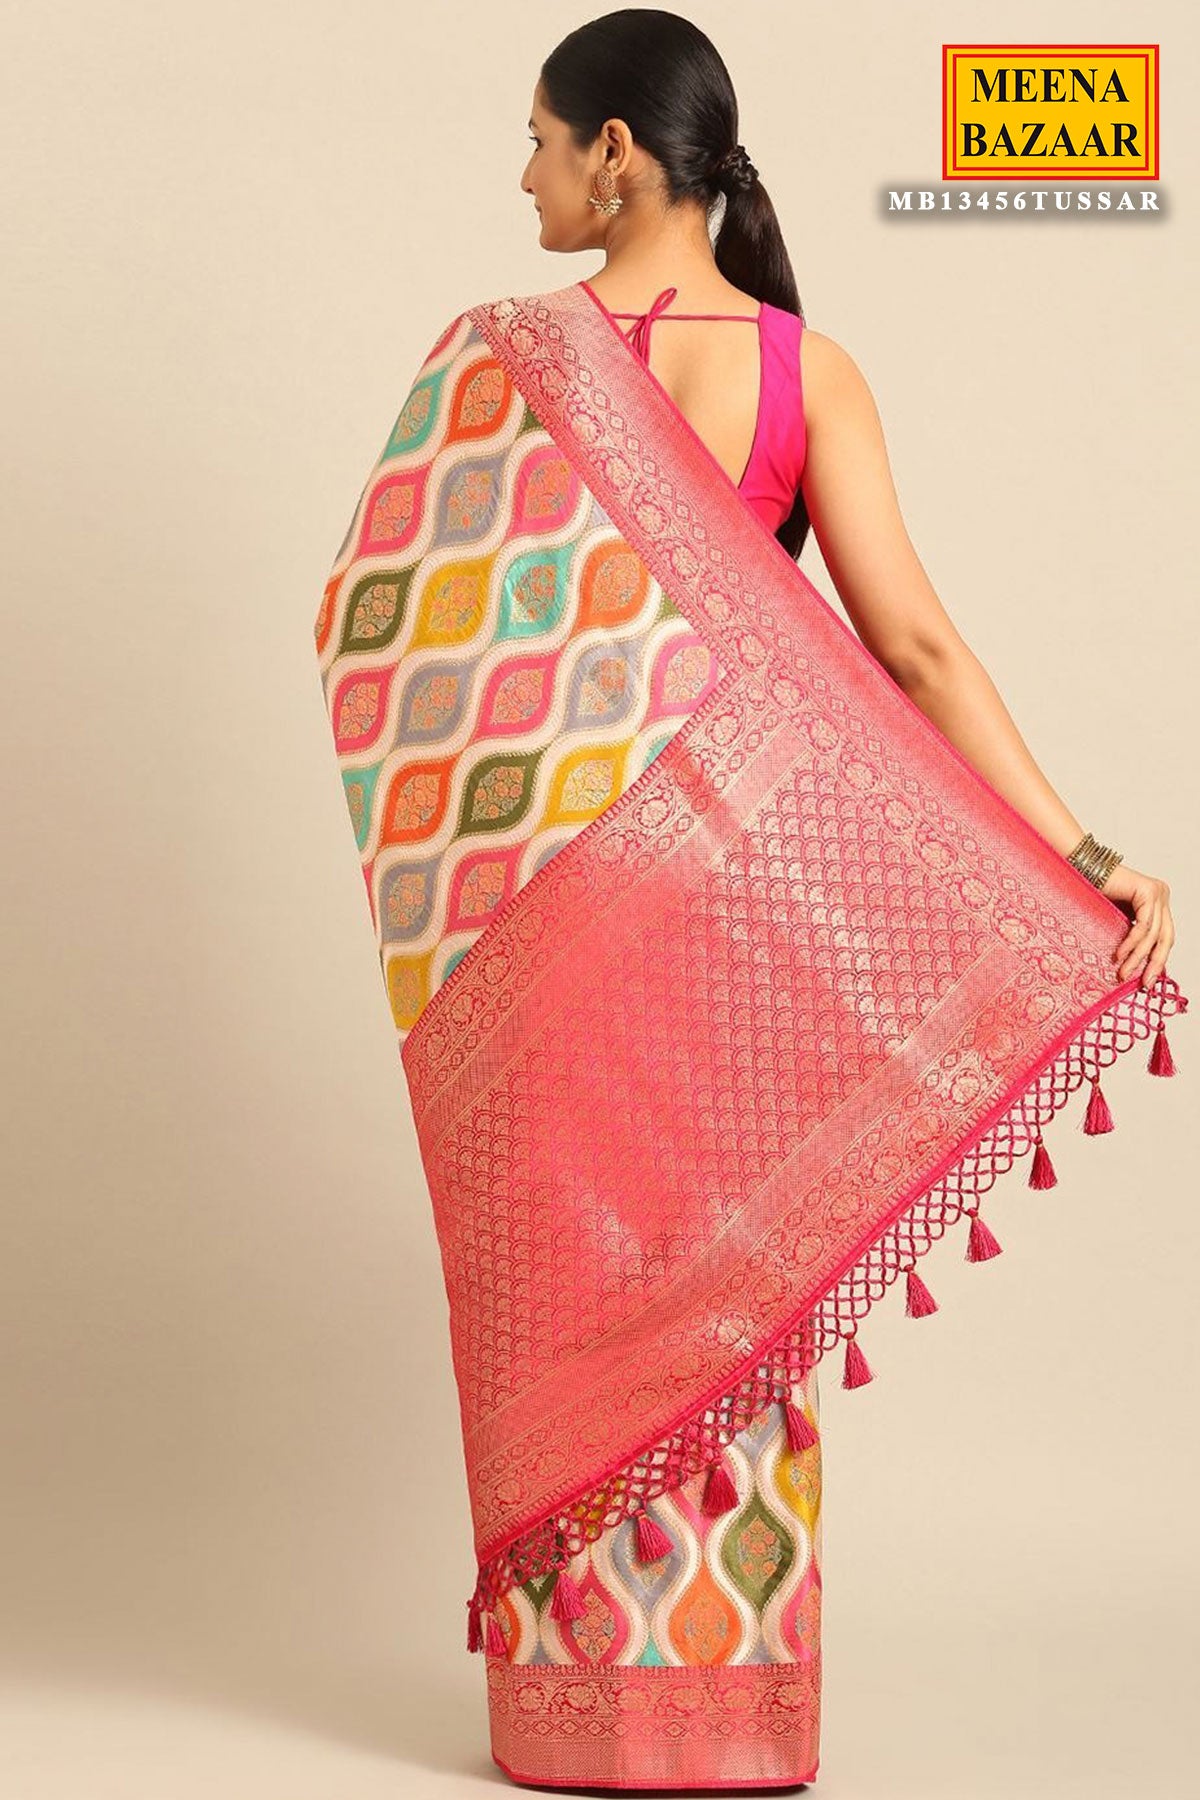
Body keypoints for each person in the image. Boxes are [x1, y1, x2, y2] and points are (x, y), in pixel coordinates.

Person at [313, 10, 1184, 1791]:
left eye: (541, 139)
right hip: (730, 934)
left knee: (578, 1289)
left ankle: (576, 1715)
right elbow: (916, 645)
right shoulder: (803, 370)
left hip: (553, 931)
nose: (525, 176)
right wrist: (1081, 851)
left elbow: (386, 637)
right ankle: (729, 1714)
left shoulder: (502, 363)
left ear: (617, 151)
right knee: (731, 1300)